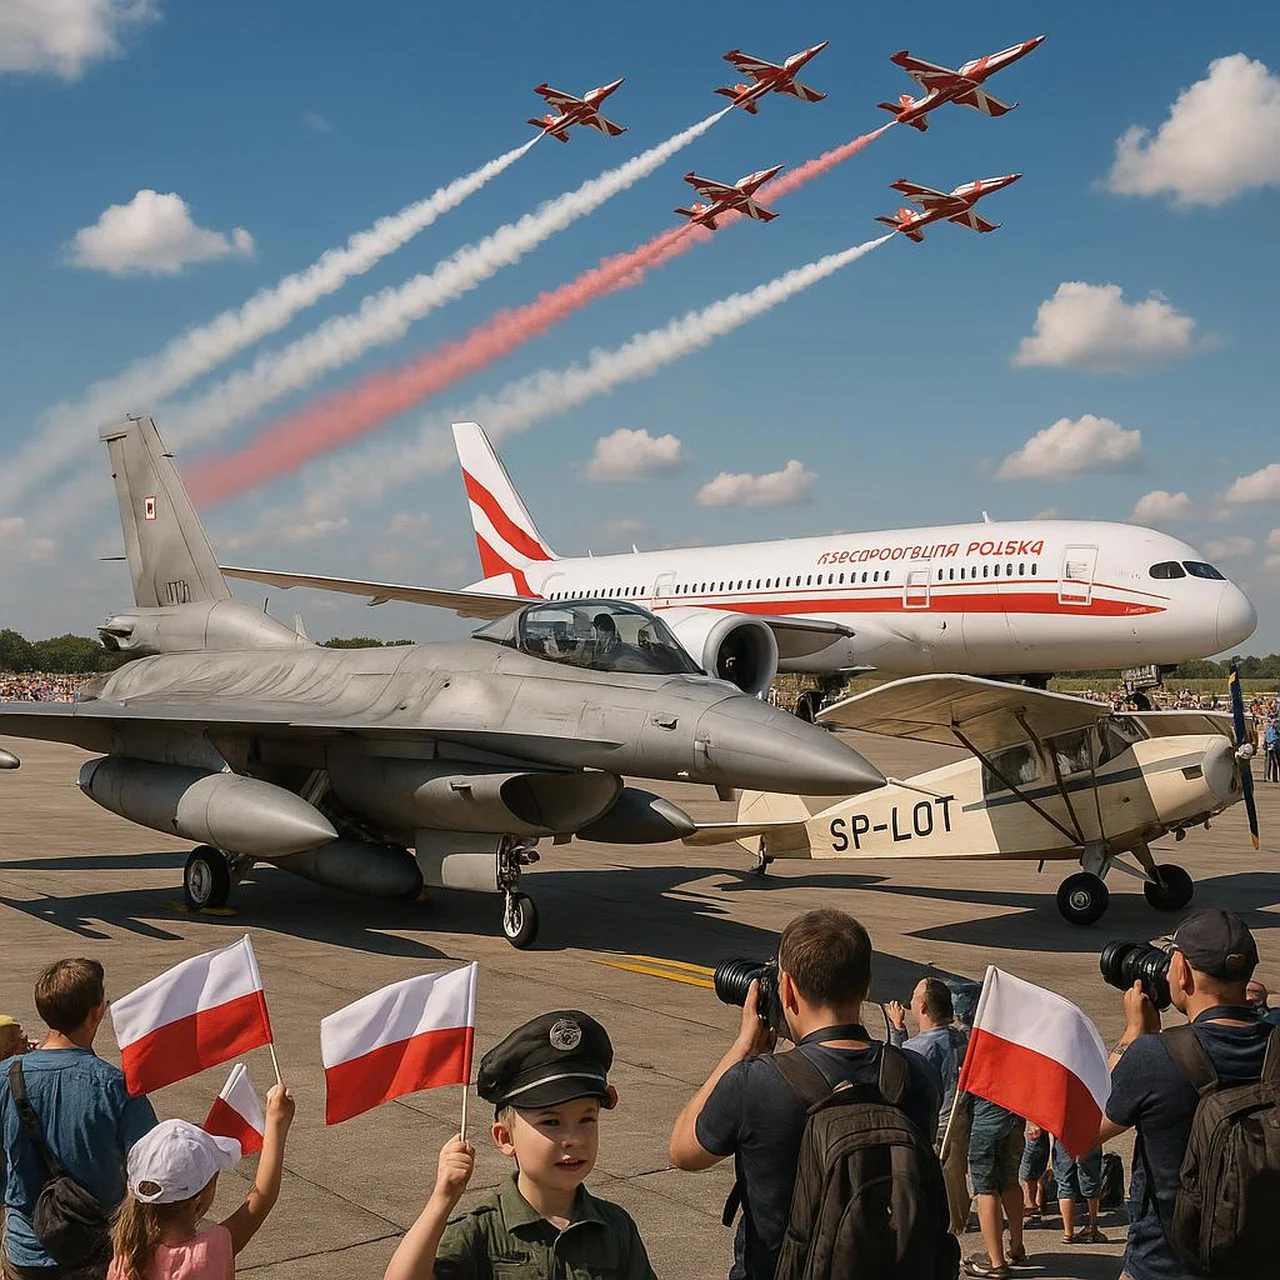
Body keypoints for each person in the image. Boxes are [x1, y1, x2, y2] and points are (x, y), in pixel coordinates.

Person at [668, 909, 942, 1280]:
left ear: (787, 989)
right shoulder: (916, 1074)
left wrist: (742, 1047)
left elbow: (683, 1151)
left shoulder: (757, 1083)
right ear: (866, 986)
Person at [386, 1011, 655, 1280]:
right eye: (551, 1122)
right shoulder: (481, 1232)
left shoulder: (615, 1228)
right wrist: (442, 1200)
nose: (574, 1138)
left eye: (586, 1119)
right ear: (505, 1138)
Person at [1098, 909, 1276, 1280]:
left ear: (1181, 972)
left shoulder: (1154, 1056)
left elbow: (1086, 1131)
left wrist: (1133, 1035)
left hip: (1164, 1266)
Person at [1, 959, 157, 1280]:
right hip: (96, 1256)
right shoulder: (118, 1088)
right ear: (96, 1012)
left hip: (23, 1254)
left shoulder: (5, 1077)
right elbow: (152, 1178)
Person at [107, 1089, 293, 1280]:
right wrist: (276, 1121)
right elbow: (263, 1197)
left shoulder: (125, 1260)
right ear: (199, 1200)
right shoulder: (209, 1251)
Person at [888, 977, 973, 1235]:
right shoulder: (961, 1036)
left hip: (938, 1121)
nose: (910, 999)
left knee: (942, 1175)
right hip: (963, 1112)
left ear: (923, 1007)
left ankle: (951, 1224)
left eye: (914, 995)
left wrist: (896, 1029)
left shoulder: (922, 1045)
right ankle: (960, 1216)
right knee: (957, 1172)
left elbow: (897, 1071)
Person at [964, 1098, 1026, 1276]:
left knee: (985, 1189)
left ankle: (996, 1262)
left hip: (986, 1113)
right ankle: (1016, 1246)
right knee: (1011, 1181)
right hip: (1015, 1110)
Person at [1051, 1143, 1107, 1245]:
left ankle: (1068, 1233)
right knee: (1091, 1178)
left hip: (1064, 1136)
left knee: (1065, 1183)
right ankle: (1093, 1228)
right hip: (1089, 1135)